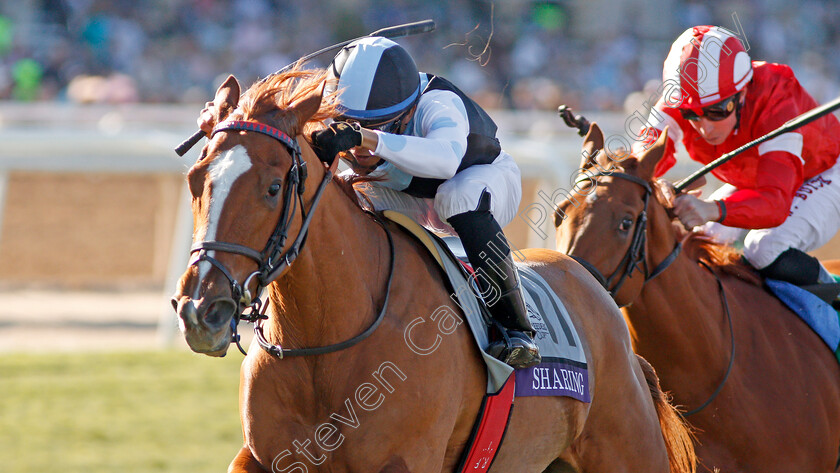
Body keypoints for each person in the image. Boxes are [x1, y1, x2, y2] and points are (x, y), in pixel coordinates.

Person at [198, 36, 540, 368]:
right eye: (348, 124)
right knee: (338, 195)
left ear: (406, 112)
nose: (358, 144)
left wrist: (369, 137)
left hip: (486, 183)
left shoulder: (437, 103)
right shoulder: (339, 110)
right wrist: (224, 123)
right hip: (413, 196)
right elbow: (272, 132)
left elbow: (447, 161)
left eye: (377, 124)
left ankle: (517, 330)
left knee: (457, 195)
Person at [634, 25, 840, 298]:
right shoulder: (684, 93)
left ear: (742, 94)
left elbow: (774, 202)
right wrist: (659, 184)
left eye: (717, 111)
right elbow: (640, 163)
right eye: (691, 114)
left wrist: (713, 209)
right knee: (699, 242)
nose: (705, 128)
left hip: (822, 173)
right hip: (759, 177)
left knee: (764, 247)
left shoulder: (778, 98)